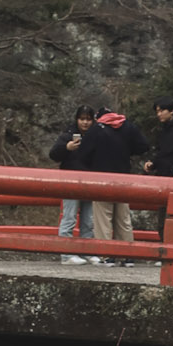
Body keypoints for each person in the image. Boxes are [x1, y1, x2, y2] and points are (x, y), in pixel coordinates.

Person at [74, 105, 149, 258]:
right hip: (124, 178)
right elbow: (143, 146)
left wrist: (94, 165)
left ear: (98, 118)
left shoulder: (96, 130)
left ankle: (106, 254)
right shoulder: (128, 126)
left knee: (103, 219)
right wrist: (127, 151)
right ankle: (128, 255)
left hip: (102, 178)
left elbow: (82, 156)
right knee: (123, 218)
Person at [48, 108, 96, 263]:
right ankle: (66, 254)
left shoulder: (96, 135)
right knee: (69, 218)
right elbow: (53, 154)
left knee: (88, 220)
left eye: (88, 119)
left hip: (90, 181)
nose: (85, 122)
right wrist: (67, 148)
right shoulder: (67, 134)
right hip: (70, 181)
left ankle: (86, 251)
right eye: (82, 119)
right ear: (76, 119)